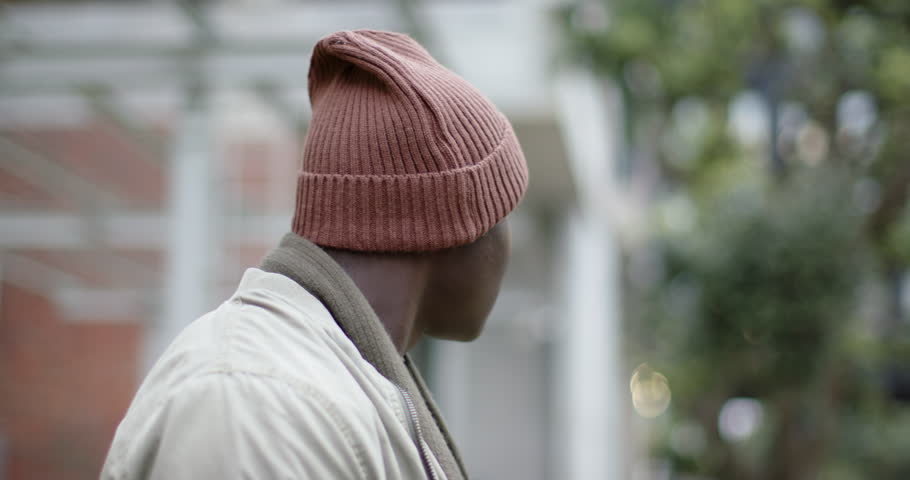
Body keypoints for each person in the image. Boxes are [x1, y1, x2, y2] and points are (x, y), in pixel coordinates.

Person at [101, 29, 528, 480]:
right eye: (506, 212)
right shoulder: (259, 403)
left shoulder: (310, 388)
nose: (508, 246)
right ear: (455, 221)